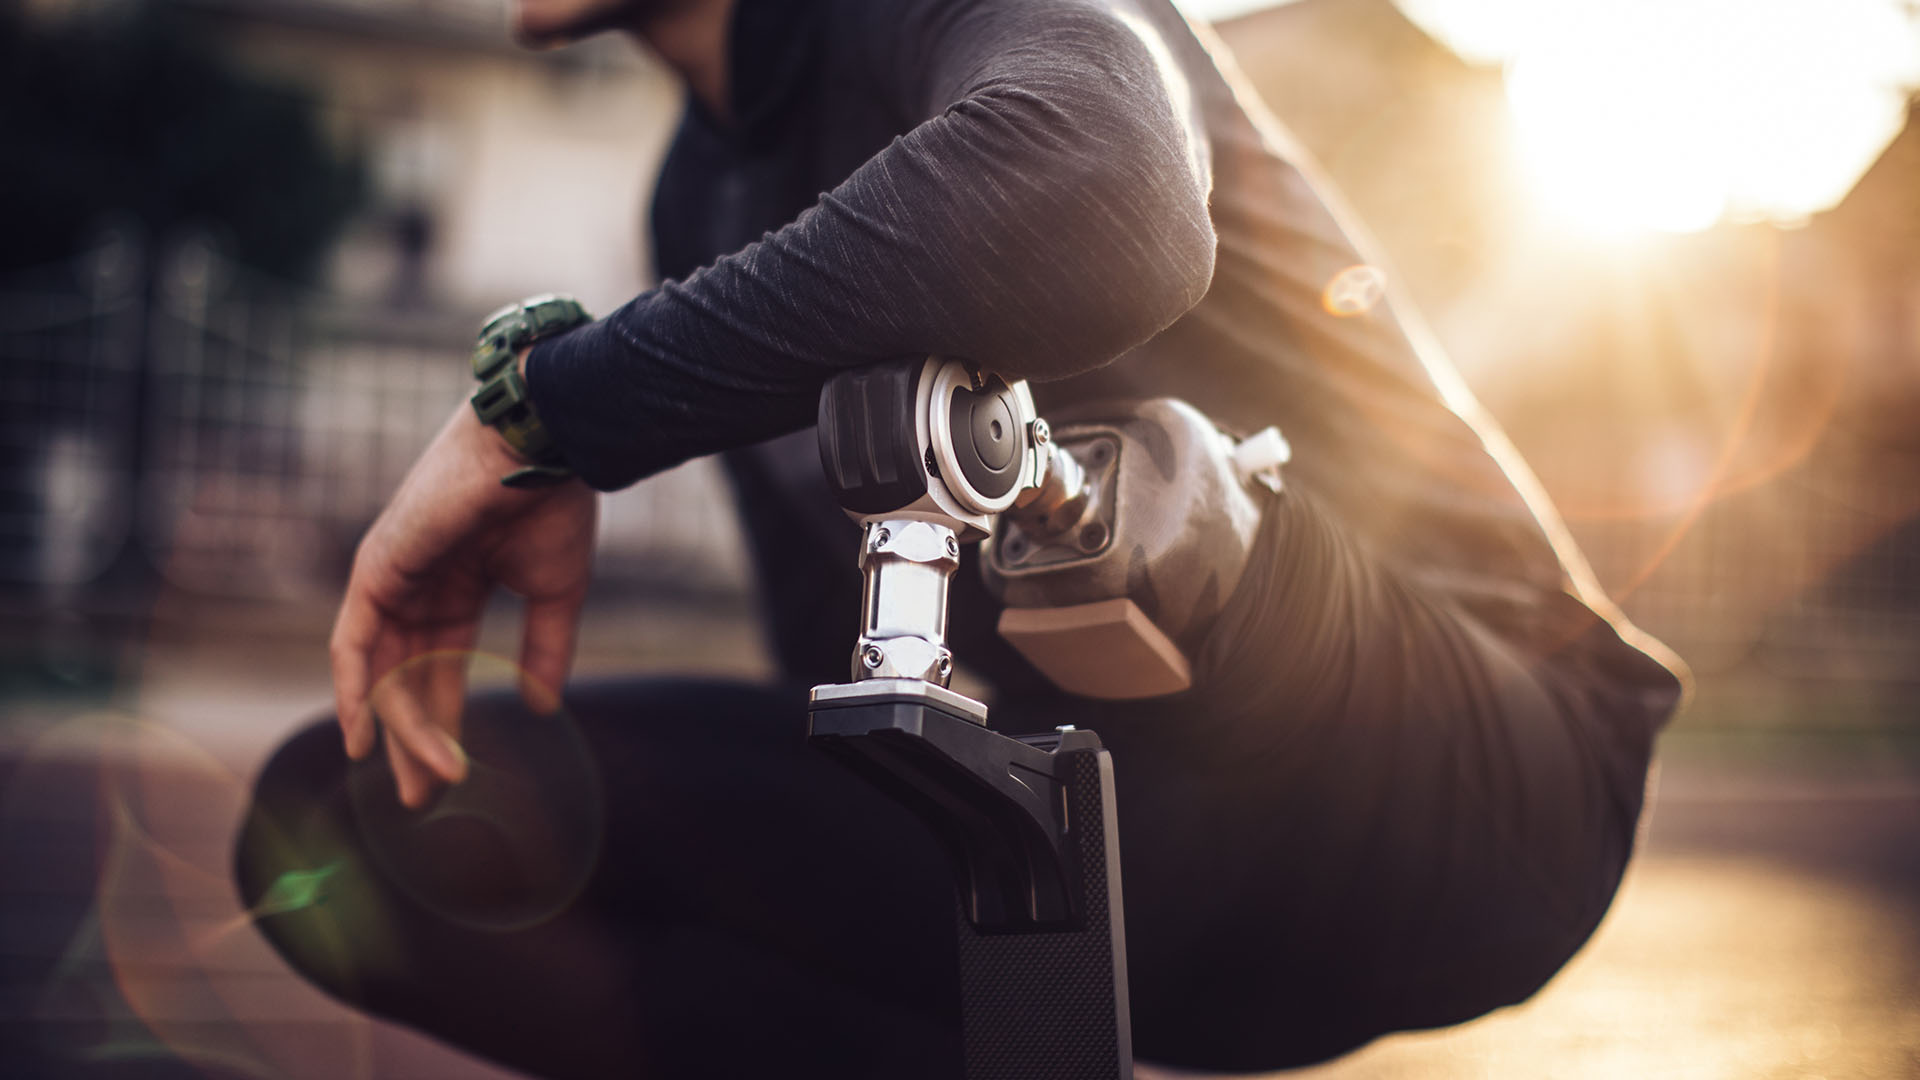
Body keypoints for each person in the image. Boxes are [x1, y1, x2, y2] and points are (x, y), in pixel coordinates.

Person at [235, 0, 1688, 1075]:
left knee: (1158, 520)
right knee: (345, 824)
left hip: (1461, 775)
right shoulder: (696, 193)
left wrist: (536, 420)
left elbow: (1104, 189)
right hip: (1098, 836)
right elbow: (845, 651)